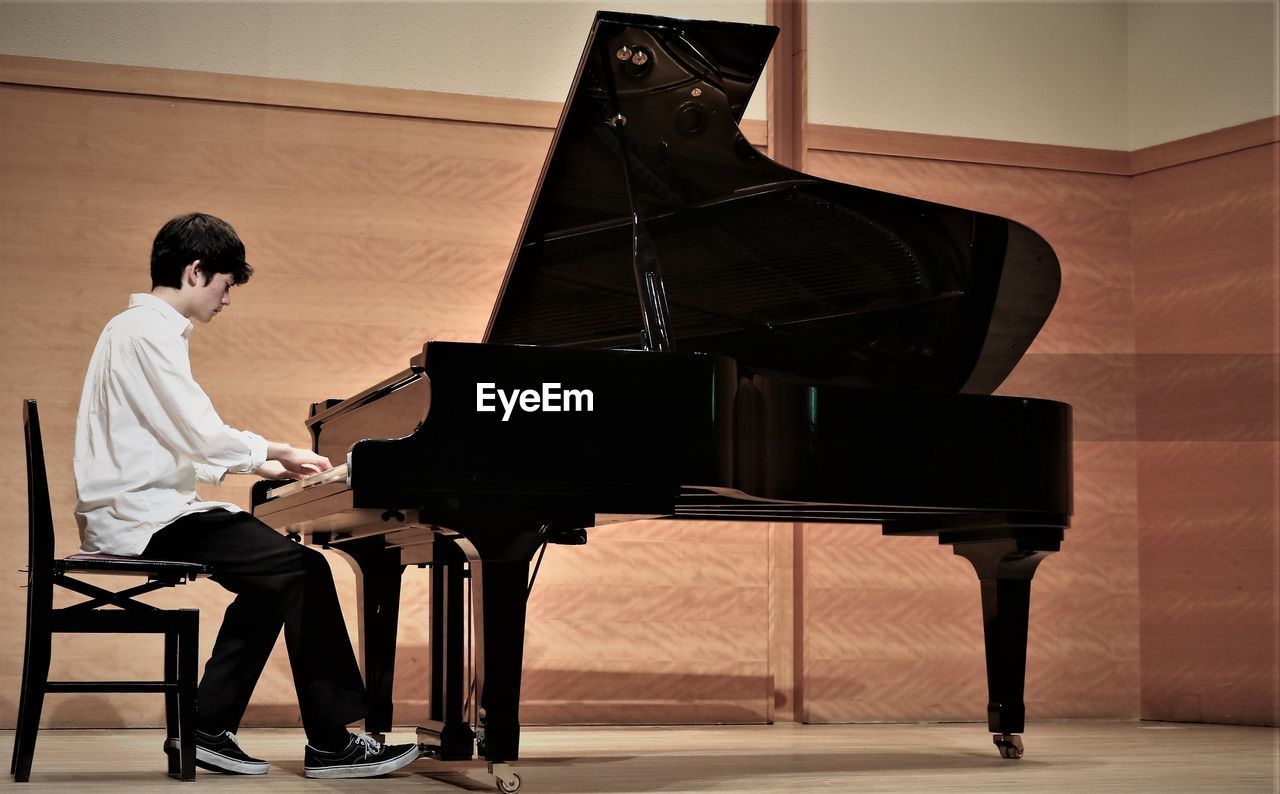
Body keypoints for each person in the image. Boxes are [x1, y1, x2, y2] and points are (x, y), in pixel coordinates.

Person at [72, 212, 420, 779]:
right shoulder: (145, 333)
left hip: (144, 507)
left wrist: (261, 461)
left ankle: (208, 724)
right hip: (141, 515)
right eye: (225, 285)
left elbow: (184, 437)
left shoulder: (135, 332)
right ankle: (332, 743)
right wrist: (278, 451)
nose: (226, 300)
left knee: (279, 579)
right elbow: (198, 432)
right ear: (196, 271)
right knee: (303, 570)